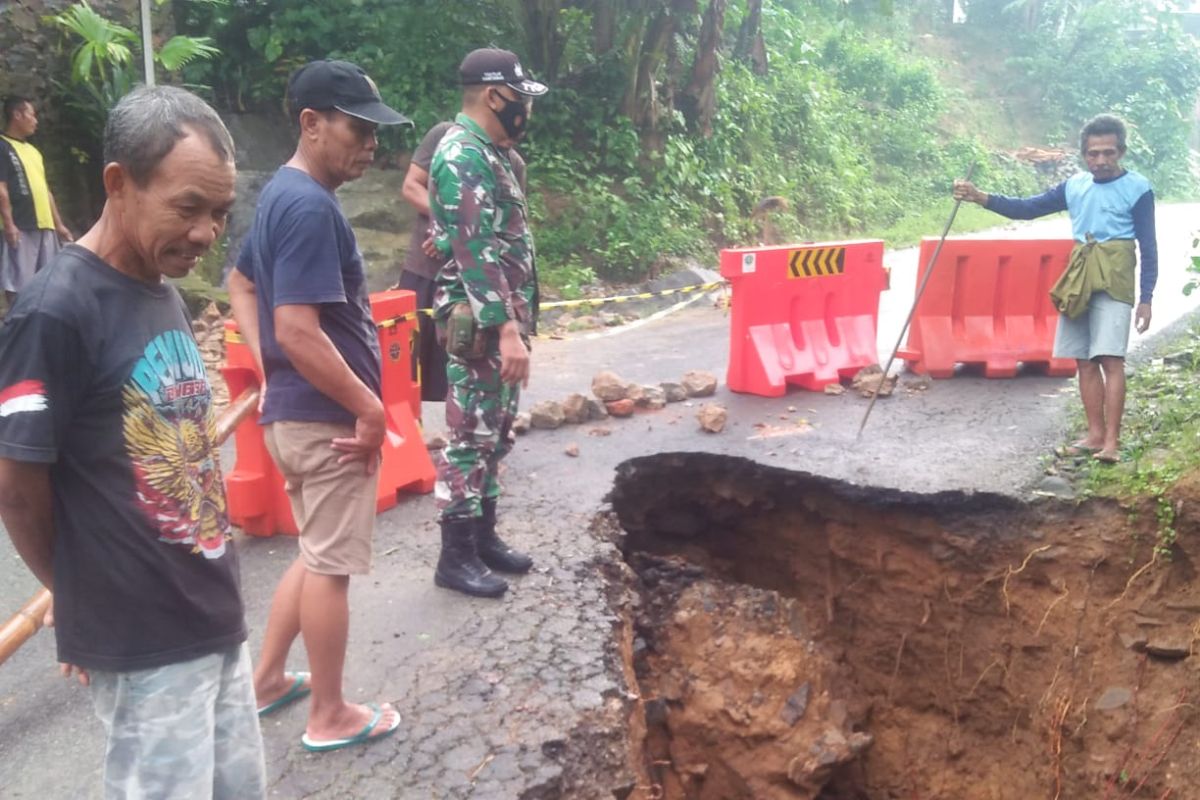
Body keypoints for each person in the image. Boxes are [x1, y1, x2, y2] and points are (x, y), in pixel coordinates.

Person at [0, 86, 265, 799]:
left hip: (211, 612)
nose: (208, 231)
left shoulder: (159, 288)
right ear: (119, 184)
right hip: (143, 639)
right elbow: (18, 491)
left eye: (219, 212)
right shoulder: (54, 312)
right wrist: (76, 591)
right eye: (188, 207)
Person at [227, 59, 410, 752]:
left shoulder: (280, 194)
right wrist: (369, 410)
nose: (370, 146)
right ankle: (329, 714)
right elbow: (297, 328)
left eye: (374, 133)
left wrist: (269, 369)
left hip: (294, 413)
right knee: (331, 568)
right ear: (311, 123)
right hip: (328, 423)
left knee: (312, 552)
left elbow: (243, 286)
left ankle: (268, 678)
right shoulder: (306, 206)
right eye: (358, 130)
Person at [954, 114, 1157, 464]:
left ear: (1121, 152)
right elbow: (1027, 209)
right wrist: (980, 197)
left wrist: (1147, 298)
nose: (1101, 161)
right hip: (1079, 274)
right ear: (1084, 155)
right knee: (1084, 359)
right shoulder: (1074, 186)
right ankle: (1094, 434)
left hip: (1116, 274)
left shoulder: (1138, 188)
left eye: (1109, 153)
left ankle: (1112, 441)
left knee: (1111, 358)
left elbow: (1149, 245)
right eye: (1094, 154)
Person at [427, 48, 546, 598]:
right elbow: (476, 253)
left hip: (501, 322)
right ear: (495, 96)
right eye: (520, 99)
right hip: (482, 327)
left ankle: (484, 538)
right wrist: (504, 330)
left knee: (495, 434)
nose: (525, 110)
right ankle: (455, 556)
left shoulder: (487, 152)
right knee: (469, 439)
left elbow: (468, 235)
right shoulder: (462, 155)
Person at [399, 121, 526, 402]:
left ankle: (454, 433)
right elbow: (411, 186)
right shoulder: (444, 136)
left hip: (469, 284)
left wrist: (457, 236)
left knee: (463, 370)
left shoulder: (513, 164)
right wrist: (449, 222)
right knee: (407, 368)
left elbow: (509, 228)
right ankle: (409, 433)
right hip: (425, 270)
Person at [0, 96, 73, 304]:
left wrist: (58, 225)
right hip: (21, 224)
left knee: (47, 281)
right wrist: (9, 224)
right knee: (19, 281)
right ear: (17, 115)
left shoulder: (33, 151)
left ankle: (38, 323)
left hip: (45, 225)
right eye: (31, 115)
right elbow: (1, 188)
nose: (35, 120)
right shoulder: (3, 147)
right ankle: (16, 322)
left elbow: (45, 190)